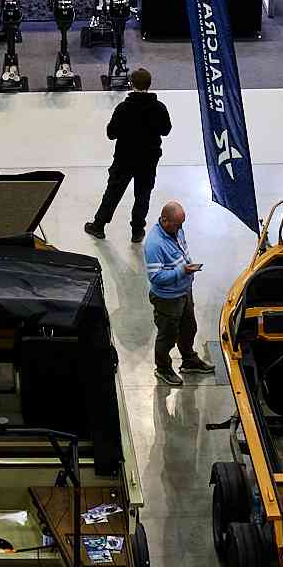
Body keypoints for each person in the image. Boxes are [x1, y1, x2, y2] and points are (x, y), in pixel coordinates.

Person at [84, 70, 171, 243]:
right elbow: (166, 130)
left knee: (113, 192)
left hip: (124, 158)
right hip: (148, 159)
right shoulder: (159, 108)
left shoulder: (123, 108)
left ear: (131, 84)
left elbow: (111, 134)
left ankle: (99, 225)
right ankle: (137, 231)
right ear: (149, 85)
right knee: (143, 195)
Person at [142, 201, 213, 385]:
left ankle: (189, 361)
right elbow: (156, 277)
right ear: (164, 220)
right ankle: (163, 369)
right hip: (168, 299)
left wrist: (187, 270)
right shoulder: (154, 244)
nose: (180, 228)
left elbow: (182, 251)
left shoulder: (176, 230)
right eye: (177, 225)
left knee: (189, 328)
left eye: (182, 224)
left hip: (184, 291)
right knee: (167, 336)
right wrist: (183, 271)